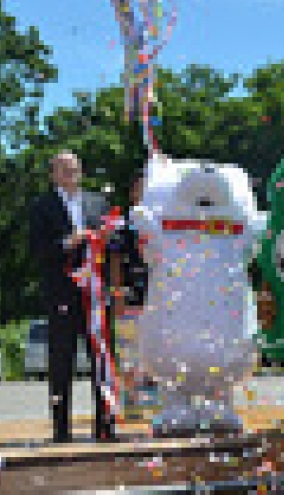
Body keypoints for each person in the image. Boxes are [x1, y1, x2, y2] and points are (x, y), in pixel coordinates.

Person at [29, 150, 114, 443]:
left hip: (95, 295)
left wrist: (107, 237)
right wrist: (68, 242)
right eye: (64, 170)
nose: (71, 174)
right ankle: (61, 430)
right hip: (61, 291)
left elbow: (111, 244)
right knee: (61, 362)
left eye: (75, 169)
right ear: (53, 174)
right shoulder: (42, 207)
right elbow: (38, 250)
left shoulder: (98, 203)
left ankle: (106, 426)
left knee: (101, 360)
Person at [106, 173, 156, 422]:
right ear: (132, 194)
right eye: (139, 188)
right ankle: (131, 401)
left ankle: (157, 403)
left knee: (157, 351)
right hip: (130, 299)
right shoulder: (123, 227)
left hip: (158, 299)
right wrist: (117, 294)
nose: (144, 192)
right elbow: (115, 260)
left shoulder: (160, 224)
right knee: (129, 352)